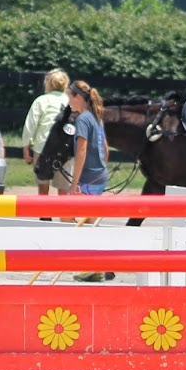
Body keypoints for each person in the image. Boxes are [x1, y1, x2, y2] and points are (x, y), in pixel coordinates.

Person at [67, 80, 115, 282]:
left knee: (76, 218)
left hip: (88, 177)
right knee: (89, 220)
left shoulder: (83, 120)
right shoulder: (96, 117)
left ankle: (96, 265)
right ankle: (97, 265)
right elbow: (105, 150)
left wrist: (74, 182)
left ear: (78, 97)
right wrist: (101, 168)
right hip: (99, 174)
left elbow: (82, 150)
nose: (68, 102)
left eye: (70, 97)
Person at [22, 68, 72, 198]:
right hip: (65, 147)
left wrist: (26, 147)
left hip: (43, 145)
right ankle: (63, 215)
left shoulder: (41, 101)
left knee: (43, 185)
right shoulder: (70, 101)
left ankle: (45, 215)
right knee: (63, 187)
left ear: (48, 84)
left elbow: (30, 125)